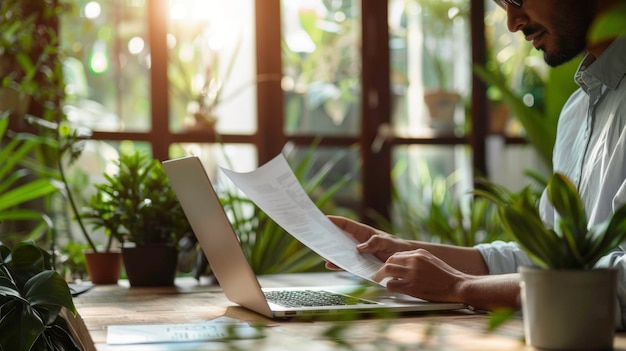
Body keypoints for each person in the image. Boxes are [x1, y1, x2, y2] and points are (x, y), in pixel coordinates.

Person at [328, 0, 626, 328]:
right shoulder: (579, 111)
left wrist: (460, 287)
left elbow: (617, 282)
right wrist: (400, 251)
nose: (512, 23)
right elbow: (547, 260)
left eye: (515, 0)